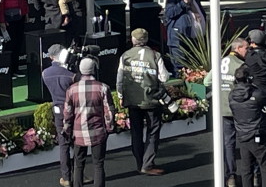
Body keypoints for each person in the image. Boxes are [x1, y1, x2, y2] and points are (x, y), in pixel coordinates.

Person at [116, 28, 170, 176]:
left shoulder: (125, 55)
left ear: (133, 40)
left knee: (136, 132)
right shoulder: (155, 55)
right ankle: (148, 163)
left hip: (133, 100)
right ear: (146, 40)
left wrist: (121, 96)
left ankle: (140, 163)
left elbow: (119, 79)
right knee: (153, 132)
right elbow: (164, 78)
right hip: (151, 100)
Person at [203, 38, 249, 187]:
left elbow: (206, 82)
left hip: (222, 108)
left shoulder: (220, 62)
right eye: (246, 48)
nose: (248, 51)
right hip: (238, 110)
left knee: (228, 144)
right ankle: (251, 174)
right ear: (238, 48)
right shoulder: (241, 65)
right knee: (245, 141)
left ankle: (231, 176)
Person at [63, 58, 114, 187]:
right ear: (93, 69)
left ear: (80, 70)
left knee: (78, 164)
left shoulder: (71, 89)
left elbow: (67, 114)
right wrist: (109, 128)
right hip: (98, 132)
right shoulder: (102, 88)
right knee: (98, 164)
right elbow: (109, 112)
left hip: (78, 133)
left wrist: (67, 131)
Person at [230, 64, 266, 187]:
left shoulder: (231, 96)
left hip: (242, 135)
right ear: (249, 78)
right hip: (258, 135)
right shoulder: (257, 94)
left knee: (246, 169)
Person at [42, 44, 77, 187]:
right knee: (77, 144)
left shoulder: (45, 73)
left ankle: (66, 177)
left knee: (64, 145)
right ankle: (78, 174)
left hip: (58, 110)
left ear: (51, 57)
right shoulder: (71, 75)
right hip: (73, 110)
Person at [165, 0, 206, 73]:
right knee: (180, 68)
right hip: (179, 39)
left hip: (196, 39)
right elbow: (169, 14)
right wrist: (183, 4)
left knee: (196, 68)